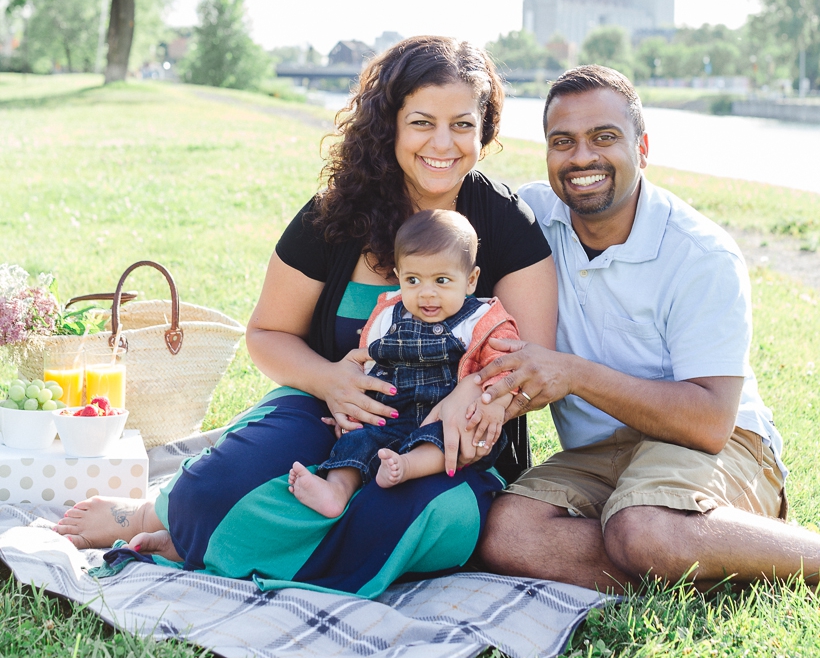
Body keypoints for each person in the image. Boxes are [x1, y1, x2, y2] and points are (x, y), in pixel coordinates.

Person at [55, 36, 557, 597]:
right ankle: (162, 513)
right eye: (422, 122)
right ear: (389, 123)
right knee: (218, 488)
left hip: (450, 441)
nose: (443, 143)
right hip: (324, 412)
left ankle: (201, 540)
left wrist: (474, 396)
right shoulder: (334, 216)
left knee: (418, 521)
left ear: (485, 130)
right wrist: (331, 380)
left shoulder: (508, 223)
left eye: (463, 124)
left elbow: (534, 368)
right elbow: (266, 334)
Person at [477, 64, 820, 591]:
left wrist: (576, 375)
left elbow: (709, 423)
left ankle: (718, 543)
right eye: (562, 141)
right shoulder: (531, 221)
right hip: (600, 454)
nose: (582, 157)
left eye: (604, 137)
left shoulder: (700, 253)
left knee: (643, 528)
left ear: (641, 148)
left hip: (720, 445)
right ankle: (700, 551)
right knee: (504, 533)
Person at [289, 208, 519, 516]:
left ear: (471, 280)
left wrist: (487, 397)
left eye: (441, 280)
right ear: (398, 277)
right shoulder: (387, 315)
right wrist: (352, 406)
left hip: (445, 415)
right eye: (413, 279)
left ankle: (407, 467)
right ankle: (336, 491)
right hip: (390, 414)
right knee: (357, 441)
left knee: (447, 439)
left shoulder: (482, 320)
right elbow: (368, 365)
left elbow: (504, 365)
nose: (427, 294)